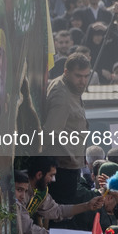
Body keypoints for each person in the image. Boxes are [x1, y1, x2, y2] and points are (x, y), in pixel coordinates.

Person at [42, 53, 91, 203]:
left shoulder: (72, 88)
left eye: (85, 76)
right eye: (78, 76)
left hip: (70, 165)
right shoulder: (62, 96)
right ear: (66, 72)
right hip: (62, 169)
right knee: (63, 216)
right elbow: (50, 133)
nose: (82, 81)